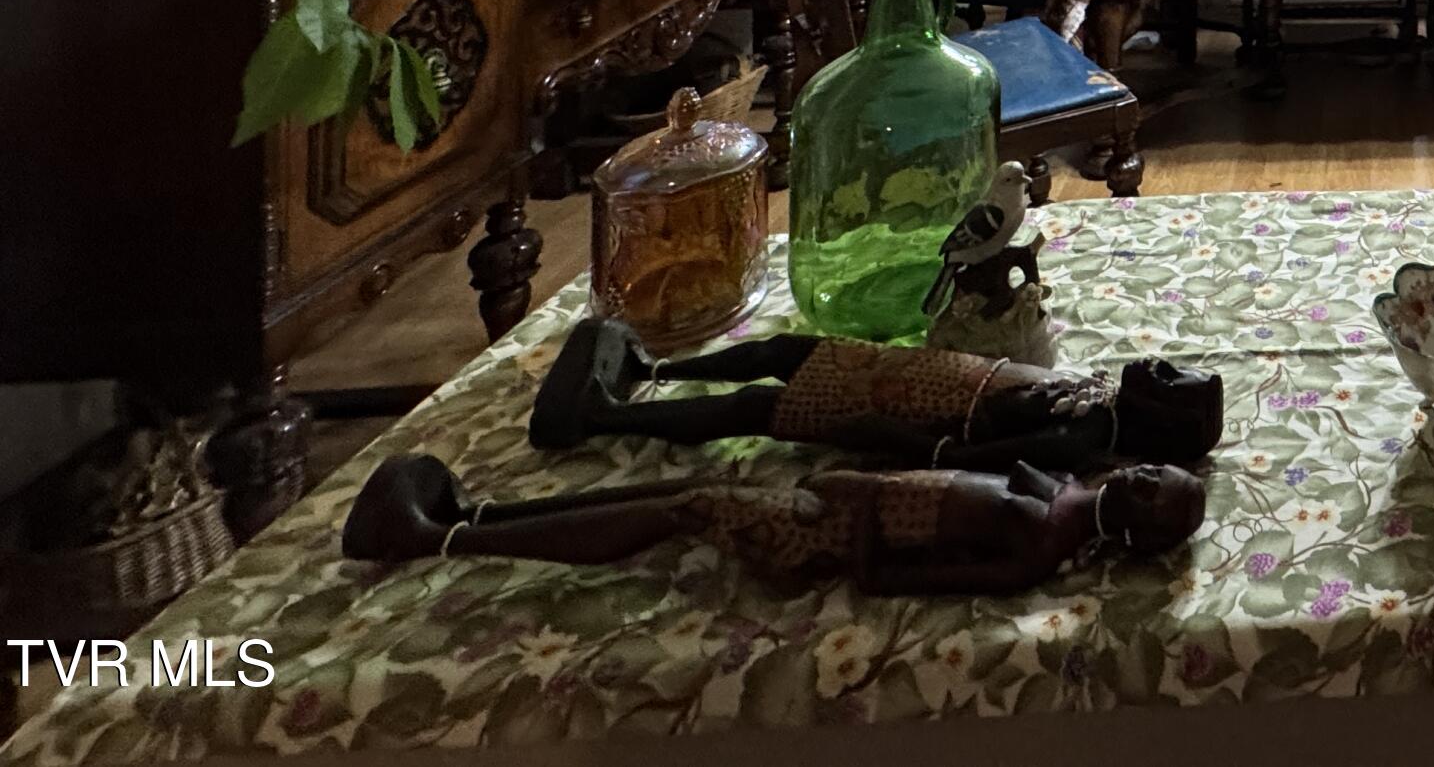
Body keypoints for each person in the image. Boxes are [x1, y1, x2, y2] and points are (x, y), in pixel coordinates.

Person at [342, 450, 1204, 596]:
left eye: (1153, 491)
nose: (1144, 477)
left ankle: (433, 538)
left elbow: (889, 577)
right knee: (685, 486)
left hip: (820, 537)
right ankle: (481, 510)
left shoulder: (1041, 545)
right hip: (834, 499)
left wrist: (856, 522)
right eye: (1156, 472)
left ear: (1143, 529)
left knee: (674, 511)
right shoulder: (1064, 493)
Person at [527, 316, 1222, 472]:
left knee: (755, 411)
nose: (1156, 365)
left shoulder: (1084, 437)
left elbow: (975, 456)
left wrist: (891, 438)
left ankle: (599, 415)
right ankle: (654, 372)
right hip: (925, 375)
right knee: (783, 352)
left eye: (1167, 380)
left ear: (1160, 420)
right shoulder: (1099, 400)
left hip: (913, 408)